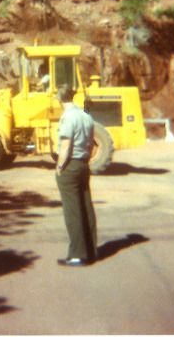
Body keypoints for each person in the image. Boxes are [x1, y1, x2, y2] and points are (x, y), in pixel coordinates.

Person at [55, 85, 98, 267]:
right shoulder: (85, 116)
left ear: (59, 98)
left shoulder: (67, 117)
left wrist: (60, 166)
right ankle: (91, 251)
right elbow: (92, 144)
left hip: (70, 165)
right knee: (86, 206)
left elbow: (66, 144)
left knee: (72, 210)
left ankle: (77, 255)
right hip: (83, 165)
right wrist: (85, 159)